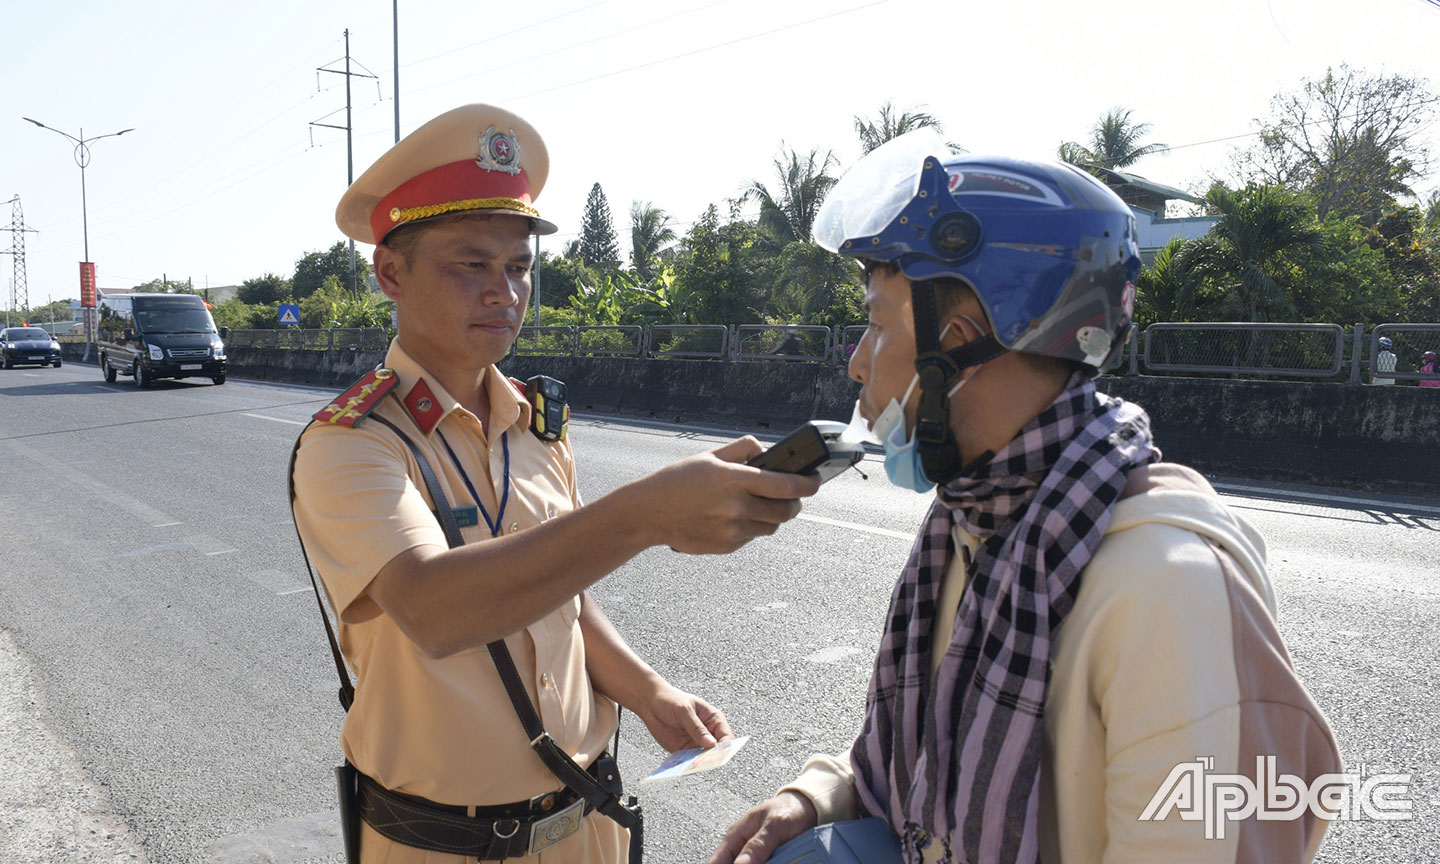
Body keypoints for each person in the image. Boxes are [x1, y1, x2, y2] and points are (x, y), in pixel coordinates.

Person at [711, 133, 1341, 864]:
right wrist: (818, 796)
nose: (855, 362)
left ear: (961, 341)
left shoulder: (1168, 592)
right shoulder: (978, 521)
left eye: (875, 323)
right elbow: (947, 769)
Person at [291, 104, 820, 864]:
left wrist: (647, 692)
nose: (503, 291)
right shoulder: (352, 444)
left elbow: (560, 596)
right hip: (443, 845)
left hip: (587, 819)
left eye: (518, 266)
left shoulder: (539, 425)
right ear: (390, 273)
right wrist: (644, 514)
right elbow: (436, 610)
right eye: (470, 264)